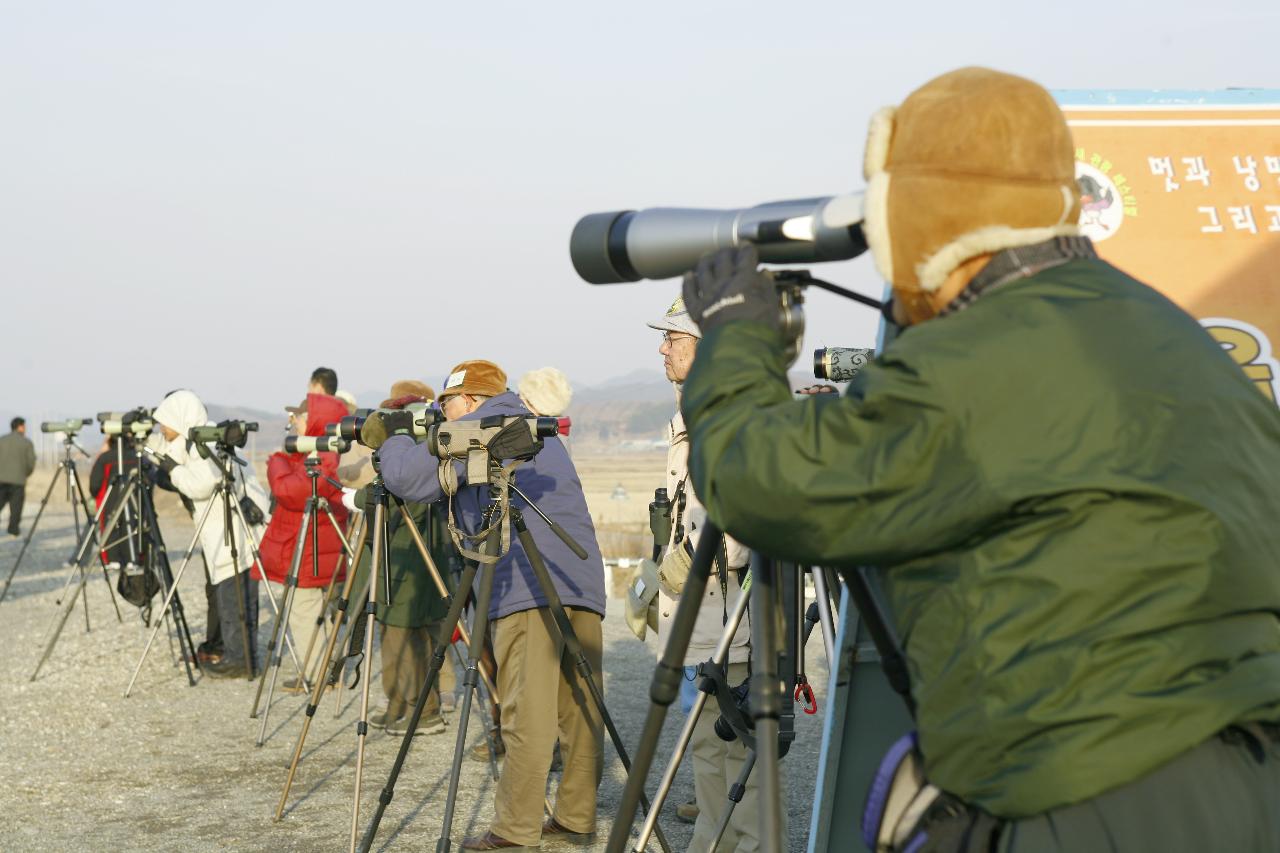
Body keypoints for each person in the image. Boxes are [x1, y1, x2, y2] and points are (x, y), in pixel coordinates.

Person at [678, 67, 1280, 851]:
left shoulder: (972, 362)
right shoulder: (1171, 333)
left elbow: (759, 482)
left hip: (1082, 789)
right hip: (1251, 776)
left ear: (916, 214)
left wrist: (737, 337)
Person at [363, 359, 607, 850]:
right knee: (579, 705)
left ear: (470, 400)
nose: (440, 414)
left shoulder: (482, 427)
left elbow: (411, 479)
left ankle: (515, 832)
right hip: (582, 584)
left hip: (525, 585)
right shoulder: (532, 427)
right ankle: (576, 818)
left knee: (526, 710)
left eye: (445, 404)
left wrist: (389, 438)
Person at [634, 296, 757, 847]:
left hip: (731, 622)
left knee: (736, 750)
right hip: (706, 620)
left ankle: (741, 845)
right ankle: (712, 843)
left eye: (674, 339)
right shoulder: (694, 415)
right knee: (708, 747)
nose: (663, 348)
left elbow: (739, 529)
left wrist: (688, 559)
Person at [347, 380, 461, 736]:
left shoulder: (411, 463)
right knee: (405, 635)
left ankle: (420, 710)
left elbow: (393, 495)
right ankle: (400, 704)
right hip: (412, 560)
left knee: (407, 637)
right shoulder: (419, 457)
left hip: (409, 565)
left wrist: (356, 498)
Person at [151, 390, 270, 679]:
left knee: (234, 599)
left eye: (165, 423)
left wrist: (173, 470)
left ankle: (239, 661)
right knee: (235, 597)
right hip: (227, 531)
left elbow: (202, 484)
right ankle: (241, 656)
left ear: (180, 420)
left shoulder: (204, 444)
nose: (162, 430)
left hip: (232, 534)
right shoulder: (195, 442)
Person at [256, 393, 349, 685]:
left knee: (304, 613)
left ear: (314, 422)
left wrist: (276, 461)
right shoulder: (316, 455)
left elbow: (290, 491)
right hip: (315, 549)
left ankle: (318, 676)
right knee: (318, 613)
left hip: (309, 552)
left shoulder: (321, 458)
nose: (293, 422)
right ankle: (328, 670)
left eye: (298, 417)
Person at [0, 417, 37, 537]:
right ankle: (13, 529)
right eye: (24, 426)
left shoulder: (2, 440)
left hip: (1, 479)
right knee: (16, 507)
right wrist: (25, 473)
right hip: (18, 480)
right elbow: (31, 462)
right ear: (20, 426)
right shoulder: (26, 442)